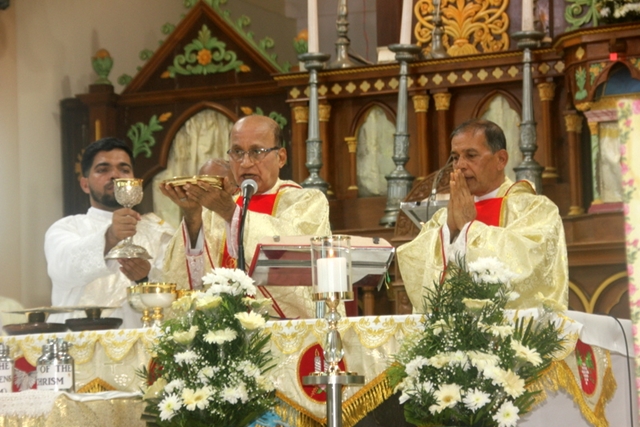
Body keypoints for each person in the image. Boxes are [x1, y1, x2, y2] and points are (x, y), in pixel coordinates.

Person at [161, 115, 330, 319]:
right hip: (222, 332)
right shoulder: (216, 207)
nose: (246, 162)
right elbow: (189, 282)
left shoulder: (306, 202)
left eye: (257, 152)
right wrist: (192, 215)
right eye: (237, 152)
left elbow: (291, 258)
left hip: (282, 332)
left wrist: (230, 213)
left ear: (281, 157)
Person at [397, 119, 568, 312]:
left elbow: (531, 264)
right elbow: (413, 262)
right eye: (455, 158)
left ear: (501, 159)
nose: (460, 166)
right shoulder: (444, 217)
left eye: (471, 156)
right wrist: (449, 231)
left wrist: (469, 228)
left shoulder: (533, 209)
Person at [45, 137, 175, 328]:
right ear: (85, 184)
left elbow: (177, 289)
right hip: (77, 339)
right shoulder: (67, 228)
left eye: (124, 169)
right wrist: (110, 237)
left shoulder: (159, 232)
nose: (115, 175)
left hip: (140, 338)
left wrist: (145, 278)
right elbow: (64, 269)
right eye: (103, 169)